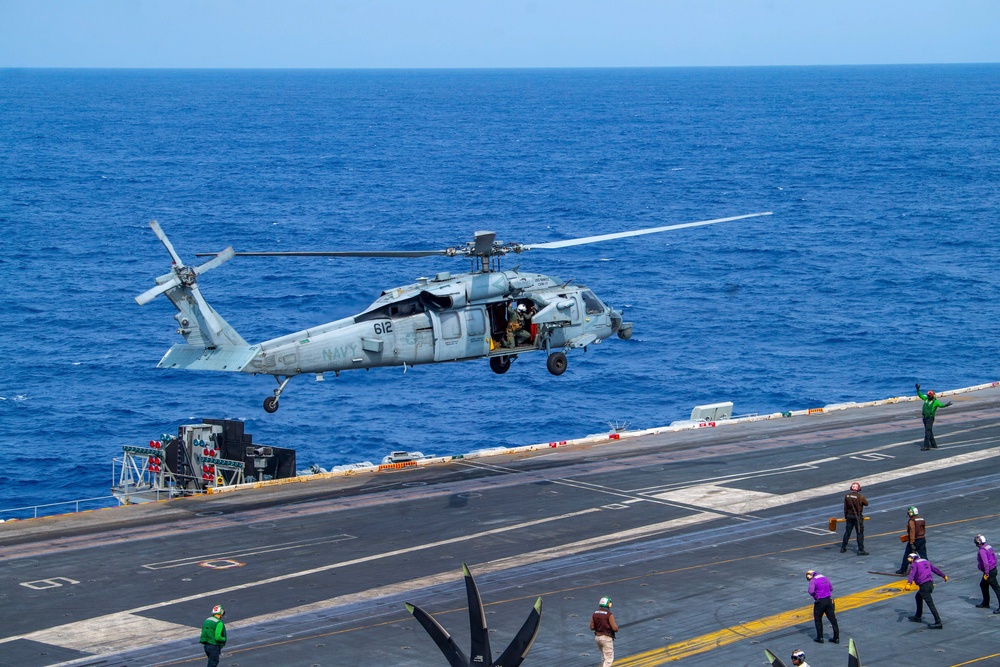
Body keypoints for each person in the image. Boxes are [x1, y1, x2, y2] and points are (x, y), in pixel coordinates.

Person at [906, 552, 947, 628]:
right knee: (918, 597)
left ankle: (938, 622)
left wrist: (909, 583)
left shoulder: (914, 564)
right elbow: (935, 569)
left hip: (924, 586)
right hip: (930, 584)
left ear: (911, 559)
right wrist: (943, 576)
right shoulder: (925, 561)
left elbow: (912, 574)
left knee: (930, 604)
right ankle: (918, 616)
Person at [806, 570, 840, 644]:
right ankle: (836, 638)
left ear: (810, 576)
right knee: (833, 620)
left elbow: (811, 591)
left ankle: (820, 637)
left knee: (818, 619)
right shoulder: (825, 578)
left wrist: (816, 595)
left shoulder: (813, 580)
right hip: (828, 601)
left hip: (820, 602)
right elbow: (831, 588)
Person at [916, 383, 952, 450]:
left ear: (932, 396)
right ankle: (934, 444)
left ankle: (926, 446)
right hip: (925, 417)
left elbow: (941, 405)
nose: (928, 396)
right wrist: (918, 390)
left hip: (930, 418)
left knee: (927, 432)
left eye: (929, 395)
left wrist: (946, 405)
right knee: (929, 431)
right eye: (928, 395)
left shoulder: (935, 402)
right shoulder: (926, 399)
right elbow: (920, 395)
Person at [896, 506, 927, 575]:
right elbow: (924, 529)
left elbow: (912, 531)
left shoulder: (912, 521)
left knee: (907, 554)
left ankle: (903, 569)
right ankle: (927, 568)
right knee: (923, 555)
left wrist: (912, 542)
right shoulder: (921, 519)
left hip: (915, 540)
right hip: (922, 539)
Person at [973, 534, 1000, 613]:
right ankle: (985, 603)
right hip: (993, 569)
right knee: (983, 585)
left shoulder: (982, 551)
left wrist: (987, 573)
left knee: (997, 589)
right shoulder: (988, 547)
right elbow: (995, 557)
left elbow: (985, 563)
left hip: (989, 572)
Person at [841, 481, 869, 555]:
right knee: (859, 533)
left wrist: (846, 517)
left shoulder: (847, 496)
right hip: (857, 516)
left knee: (847, 532)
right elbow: (866, 504)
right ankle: (861, 550)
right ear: (858, 489)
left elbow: (845, 508)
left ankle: (843, 547)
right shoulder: (860, 497)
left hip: (849, 516)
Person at [590, 595, 618, 667]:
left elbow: (592, 627)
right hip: (606, 638)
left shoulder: (595, 614)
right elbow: (615, 628)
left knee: (604, 656)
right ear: (608, 604)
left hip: (598, 638)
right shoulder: (609, 615)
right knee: (609, 659)